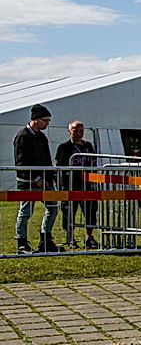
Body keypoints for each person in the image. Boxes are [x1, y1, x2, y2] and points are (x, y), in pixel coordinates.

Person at [13, 104, 59, 253]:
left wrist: (50, 177)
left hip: (45, 181)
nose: (47, 123)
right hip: (28, 182)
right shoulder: (22, 136)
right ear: (36, 119)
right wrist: (37, 178)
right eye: (45, 120)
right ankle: (21, 242)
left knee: (53, 208)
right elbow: (21, 162)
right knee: (25, 211)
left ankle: (46, 239)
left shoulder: (41, 136)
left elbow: (47, 158)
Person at [55, 120, 99, 250]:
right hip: (70, 186)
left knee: (90, 212)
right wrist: (60, 184)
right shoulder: (64, 147)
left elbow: (93, 163)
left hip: (87, 185)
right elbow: (58, 166)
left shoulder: (88, 146)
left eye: (81, 131)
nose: (79, 134)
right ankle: (70, 238)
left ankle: (89, 237)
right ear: (69, 131)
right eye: (75, 131)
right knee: (69, 213)